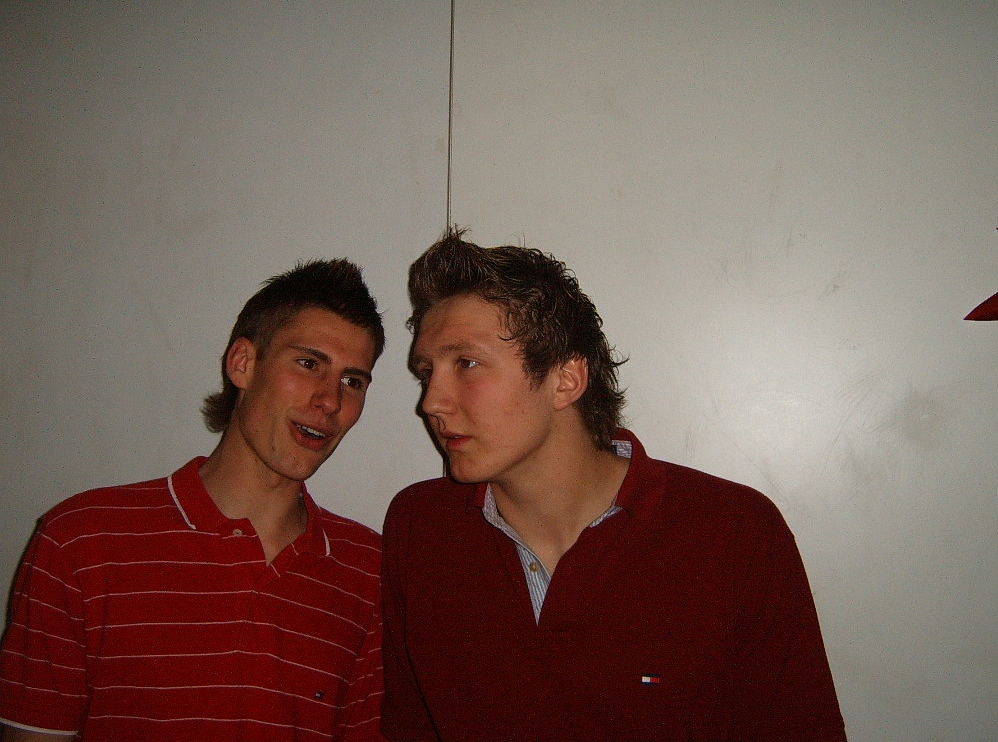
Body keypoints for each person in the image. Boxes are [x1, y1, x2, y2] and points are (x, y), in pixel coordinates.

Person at [380, 228, 847, 741]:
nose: (431, 402)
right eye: (426, 371)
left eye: (466, 364)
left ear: (566, 380)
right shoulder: (421, 527)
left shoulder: (732, 532)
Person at [0, 259, 388, 741]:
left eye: (353, 381)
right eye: (309, 364)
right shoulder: (82, 541)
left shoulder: (370, 571)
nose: (330, 400)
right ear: (243, 363)